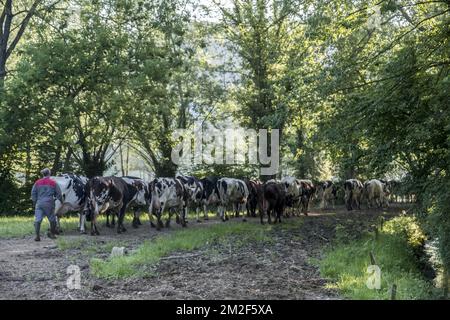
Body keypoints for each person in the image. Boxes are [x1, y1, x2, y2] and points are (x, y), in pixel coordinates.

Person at [31, 168, 62, 241]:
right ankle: (52, 233)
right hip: (49, 203)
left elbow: (33, 193)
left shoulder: (37, 182)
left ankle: (37, 236)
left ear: (43, 174)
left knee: (38, 220)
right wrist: (61, 201)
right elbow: (59, 194)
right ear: (49, 174)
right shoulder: (53, 182)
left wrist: (35, 202)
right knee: (52, 219)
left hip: (39, 203)